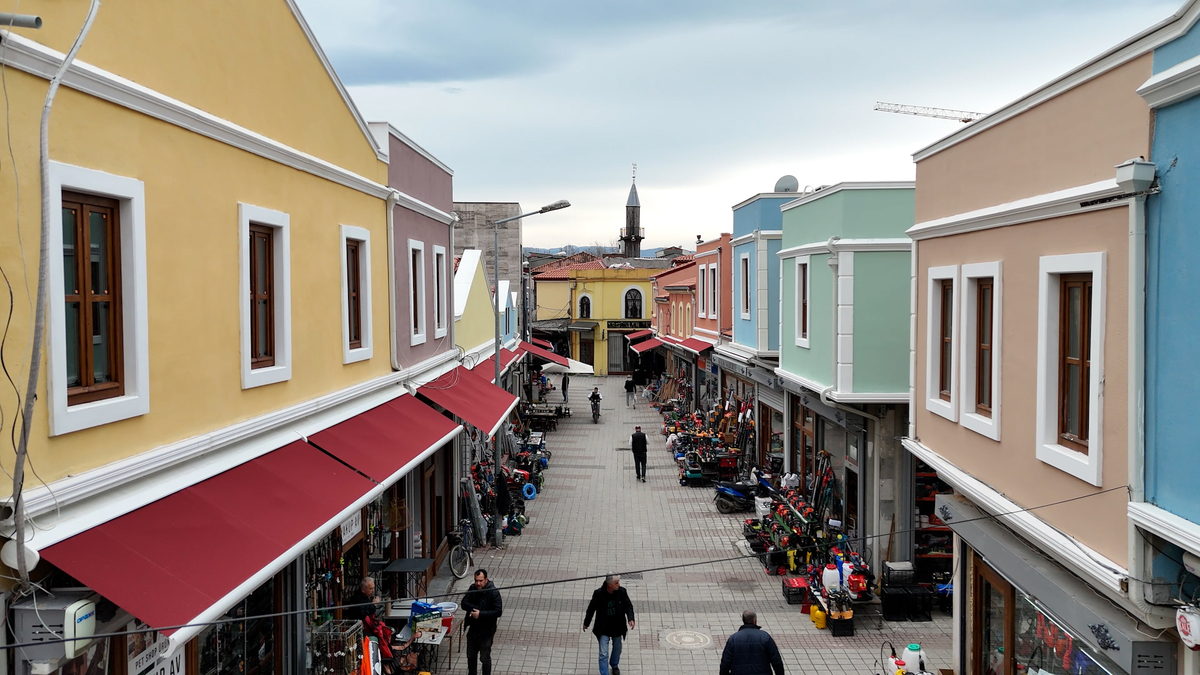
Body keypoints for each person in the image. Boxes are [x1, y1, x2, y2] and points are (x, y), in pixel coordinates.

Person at [583, 575, 635, 675]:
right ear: (609, 585)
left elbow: (628, 606)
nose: (619, 585)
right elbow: (591, 609)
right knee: (603, 653)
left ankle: (614, 664)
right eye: (616, 583)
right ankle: (604, 673)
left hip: (617, 627)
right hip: (603, 629)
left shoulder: (622, 592)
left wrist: (630, 619)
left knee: (617, 647)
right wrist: (586, 623)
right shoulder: (598, 594)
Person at [461, 569, 503, 675]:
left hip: (486, 632)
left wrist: (480, 614)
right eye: (476, 580)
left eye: (480, 581)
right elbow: (464, 603)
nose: (478, 583)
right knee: (471, 656)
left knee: (485, 658)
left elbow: (498, 611)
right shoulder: (472, 588)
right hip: (473, 630)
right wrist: (476, 608)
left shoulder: (493, 592)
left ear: (486, 580)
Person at [719, 610, 784, 675]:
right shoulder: (765, 637)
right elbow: (776, 660)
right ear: (754, 621)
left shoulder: (733, 639)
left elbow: (725, 662)